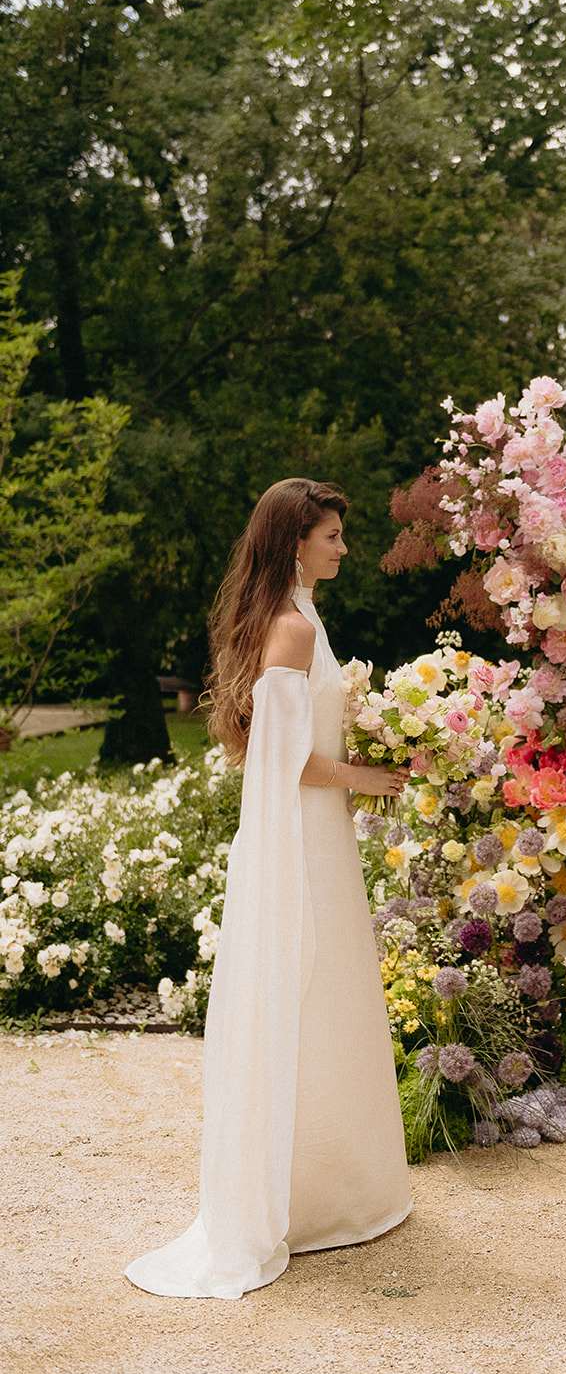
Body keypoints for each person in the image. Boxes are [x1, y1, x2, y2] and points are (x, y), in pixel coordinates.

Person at [125, 478, 412, 1299]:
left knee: (328, 997)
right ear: (295, 542)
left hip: (317, 835)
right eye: (331, 536)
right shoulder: (288, 628)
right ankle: (302, 1197)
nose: (343, 547)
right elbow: (277, 761)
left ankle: (333, 1183)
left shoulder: (297, 616)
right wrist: (370, 776)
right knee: (305, 986)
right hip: (299, 838)